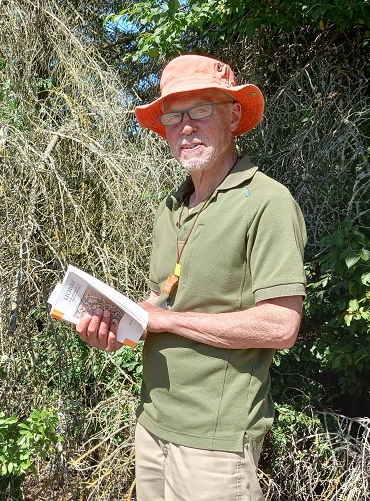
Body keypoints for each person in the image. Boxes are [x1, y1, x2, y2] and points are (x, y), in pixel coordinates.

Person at [76, 54, 306, 500]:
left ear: (233, 115)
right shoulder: (171, 208)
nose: (185, 127)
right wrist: (117, 327)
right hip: (152, 421)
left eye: (200, 110)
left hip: (215, 440)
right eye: (173, 115)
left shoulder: (266, 202)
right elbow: (162, 303)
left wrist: (168, 322)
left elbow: (281, 326)